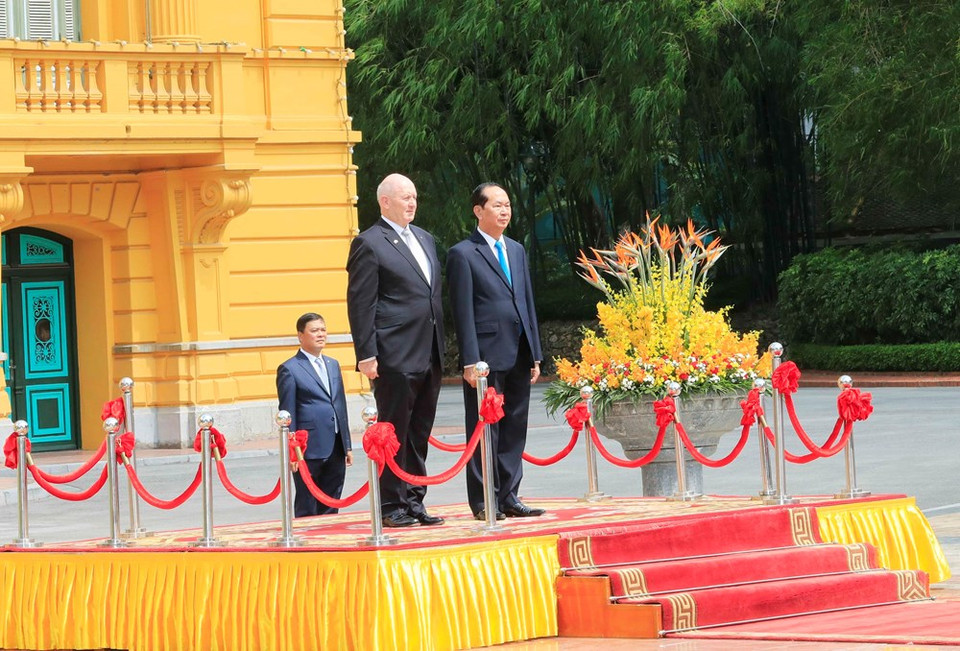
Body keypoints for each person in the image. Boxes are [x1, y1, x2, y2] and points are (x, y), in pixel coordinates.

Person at [345, 173, 446, 527]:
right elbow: (361, 302)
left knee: (419, 432)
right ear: (384, 201)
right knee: (394, 432)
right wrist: (366, 353)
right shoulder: (370, 243)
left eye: (414, 197)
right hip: (395, 352)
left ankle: (416, 500)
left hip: (429, 349)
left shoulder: (425, 239)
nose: (412, 203)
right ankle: (391, 505)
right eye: (405, 197)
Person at [447, 182, 546, 520]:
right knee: (484, 427)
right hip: (486, 358)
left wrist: (535, 351)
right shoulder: (463, 253)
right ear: (478, 210)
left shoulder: (516, 249)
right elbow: (463, 312)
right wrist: (471, 361)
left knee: (515, 427)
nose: (505, 211)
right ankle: (482, 500)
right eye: (497, 206)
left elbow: (527, 301)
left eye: (507, 206)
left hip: (519, 351)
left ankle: (509, 495)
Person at [277, 312, 353, 517]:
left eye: (323, 330)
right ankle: (307, 544)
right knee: (307, 501)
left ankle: (329, 541)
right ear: (301, 336)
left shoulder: (333, 364)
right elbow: (287, 412)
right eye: (314, 331)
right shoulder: (290, 369)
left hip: (335, 445)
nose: (321, 334)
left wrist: (347, 444)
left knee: (332, 499)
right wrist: (293, 450)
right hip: (308, 448)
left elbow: (340, 406)